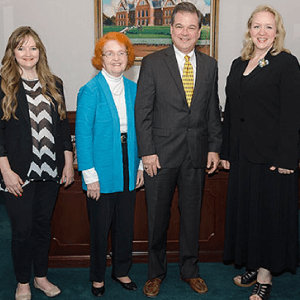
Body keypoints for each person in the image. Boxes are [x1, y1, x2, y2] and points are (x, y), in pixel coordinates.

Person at [134, 2, 222, 297]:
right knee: (157, 217)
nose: (185, 32)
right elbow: (142, 111)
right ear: (171, 29)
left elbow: (212, 109)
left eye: (192, 27)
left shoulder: (210, 65)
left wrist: (214, 147)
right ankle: (155, 273)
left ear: (200, 32)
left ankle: (189, 270)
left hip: (195, 154)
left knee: (192, 216)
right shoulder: (153, 63)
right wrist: (147, 152)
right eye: (180, 26)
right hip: (160, 155)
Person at [220, 5, 300, 300]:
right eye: (257, 26)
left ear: (277, 31)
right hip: (243, 156)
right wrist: (227, 151)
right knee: (249, 215)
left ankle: (265, 276)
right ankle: (255, 264)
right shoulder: (238, 64)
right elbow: (231, 112)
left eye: (268, 26)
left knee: (268, 216)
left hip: (272, 158)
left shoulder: (286, 63)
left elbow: (293, 114)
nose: (262, 32)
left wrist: (286, 158)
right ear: (249, 30)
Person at [0, 26, 74, 300]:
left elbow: (63, 128)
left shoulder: (55, 83)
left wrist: (67, 162)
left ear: (40, 51)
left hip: (50, 171)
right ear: (13, 52)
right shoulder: (3, 85)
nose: (28, 53)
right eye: (22, 48)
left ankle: (41, 277)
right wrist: (5, 171)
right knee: (21, 230)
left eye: (33, 48)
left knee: (43, 226)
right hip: (17, 174)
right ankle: (22, 282)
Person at [75, 32, 144, 298]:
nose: (116, 58)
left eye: (121, 53)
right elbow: (83, 135)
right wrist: (89, 175)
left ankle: (121, 270)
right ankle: (97, 276)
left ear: (128, 58)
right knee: (100, 226)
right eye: (110, 53)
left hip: (129, 160)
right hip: (101, 167)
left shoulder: (134, 89)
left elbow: (140, 129)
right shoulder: (90, 90)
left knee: (125, 223)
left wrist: (139, 166)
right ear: (100, 58)